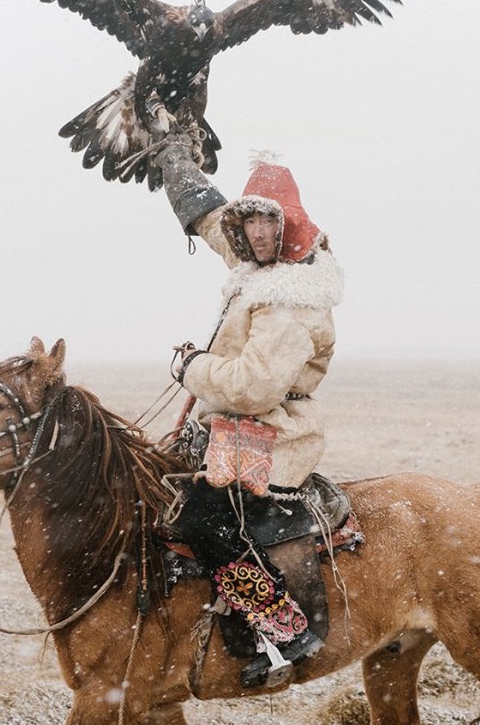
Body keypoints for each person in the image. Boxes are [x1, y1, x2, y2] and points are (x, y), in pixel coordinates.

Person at [161, 147, 344, 688]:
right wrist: (174, 159)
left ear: (287, 224)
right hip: (235, 424)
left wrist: (194, 367)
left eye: (269, 219)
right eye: (250, 219)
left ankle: (284, 630)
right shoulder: (260, 263)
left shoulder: (291, 300)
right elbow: (215, 222)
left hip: (273, 429)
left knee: (203, 517)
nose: (257, 232)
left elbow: (253, 386)